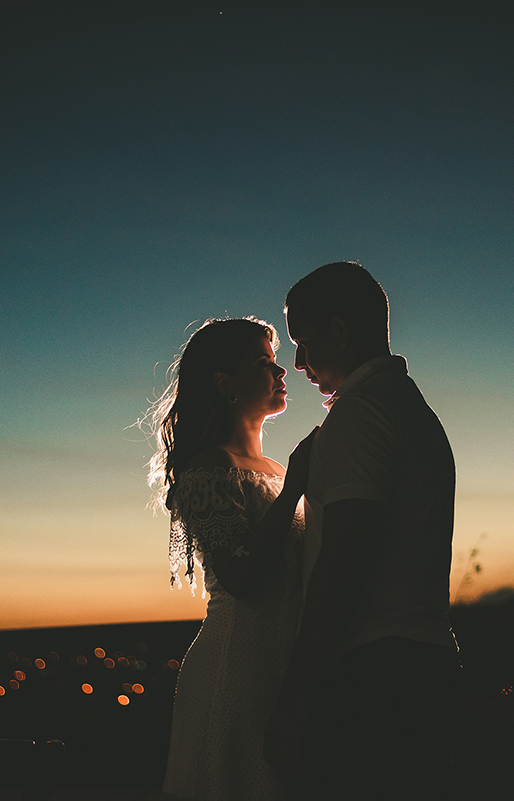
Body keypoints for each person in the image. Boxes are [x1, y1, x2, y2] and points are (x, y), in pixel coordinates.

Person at [264, 262, 460, 799]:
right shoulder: (410, 407)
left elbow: (343, 560)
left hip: (377, 671)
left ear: (340, 331)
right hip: (421, 661)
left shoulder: (361, 413)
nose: (298, 362)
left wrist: (296, 694)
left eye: (304, 342)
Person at [148, 317, 317, 801]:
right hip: (237, 667)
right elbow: (240, 577)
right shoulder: (209, 470)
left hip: (284, 668)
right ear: (225, 383)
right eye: (264, 363)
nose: (281, 372)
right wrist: (295, 489)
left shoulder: (278, 470)